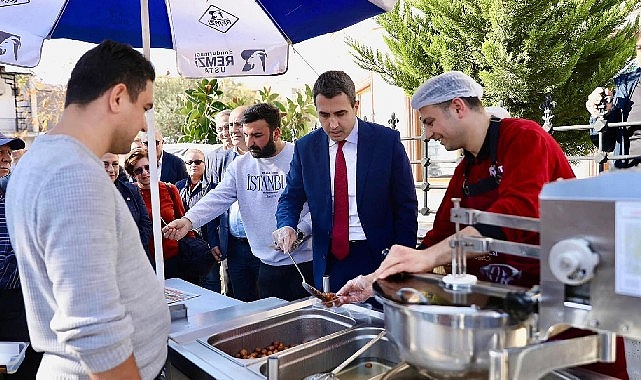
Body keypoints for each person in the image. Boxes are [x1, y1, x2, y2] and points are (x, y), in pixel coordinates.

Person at [5, 40, 169, 379]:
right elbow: (94, 329)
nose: (143, 124)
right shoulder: (72, 176)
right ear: (118, 97)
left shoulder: (44, 161)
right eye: (144, 108)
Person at [274, 70, 418, 293]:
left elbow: (406, 206)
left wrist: (403, 261)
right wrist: (286, 225)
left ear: (356, 106)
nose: (333, 124)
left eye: (341, 113)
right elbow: (291, 197)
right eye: (324, 115)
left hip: (378, 254)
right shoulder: (306, 148)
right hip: (329, 257)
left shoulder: (385, 142)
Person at [163, 103, 314, 302]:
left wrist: (300, 231)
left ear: (276, 133)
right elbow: (218, 198)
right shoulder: (240, 166)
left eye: (257, 135)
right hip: (266, 264)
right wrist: (188, 220)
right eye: (246, 135)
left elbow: (322, 206)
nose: (249, 143)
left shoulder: (301, 157)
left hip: (305, 263)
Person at [202, 105, 262, 301]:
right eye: (230, 125)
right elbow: (212, 200)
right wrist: (213, 239)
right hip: (234, 247)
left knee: (265, 303)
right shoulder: (220, 160)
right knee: (239, 302)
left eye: (239, 124)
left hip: (262, 246)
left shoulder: (266, 156)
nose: (233, 130)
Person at [0, 133, 43, 379]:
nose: (6, 158)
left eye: (8, 153)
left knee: (23, 364)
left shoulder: (15, 193)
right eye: (0, 153)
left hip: (19, 299)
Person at [125, 148, 197, 284]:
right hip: (145, 263)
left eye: (148, 167)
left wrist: (191, 250)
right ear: (132, 174)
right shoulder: (130, 194)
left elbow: (184, 221)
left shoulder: (169, 189)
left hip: (174, 259)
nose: (145, 173)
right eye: (138, 170)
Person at [586, 32, 641, 169]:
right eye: (640, 48)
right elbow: (607, 144)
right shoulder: (626, 87)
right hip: (628, 179)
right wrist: (601, 114)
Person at [175, 149, 221, 292]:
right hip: (186, 247)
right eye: (189, 162)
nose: (193, 165)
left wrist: (214, 243)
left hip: (208, 245)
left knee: (211, 283)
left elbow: (216, 220)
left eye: (197, 162)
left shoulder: (213, 188)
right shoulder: (178, 187)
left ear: (205, 164)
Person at [102, 152, 152, 256]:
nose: (111, 170)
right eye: (105, 164)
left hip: (135, 257)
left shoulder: (131, 190)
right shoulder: (87, 196)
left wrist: (134, 248)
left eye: (115, 164)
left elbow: (145, 223)